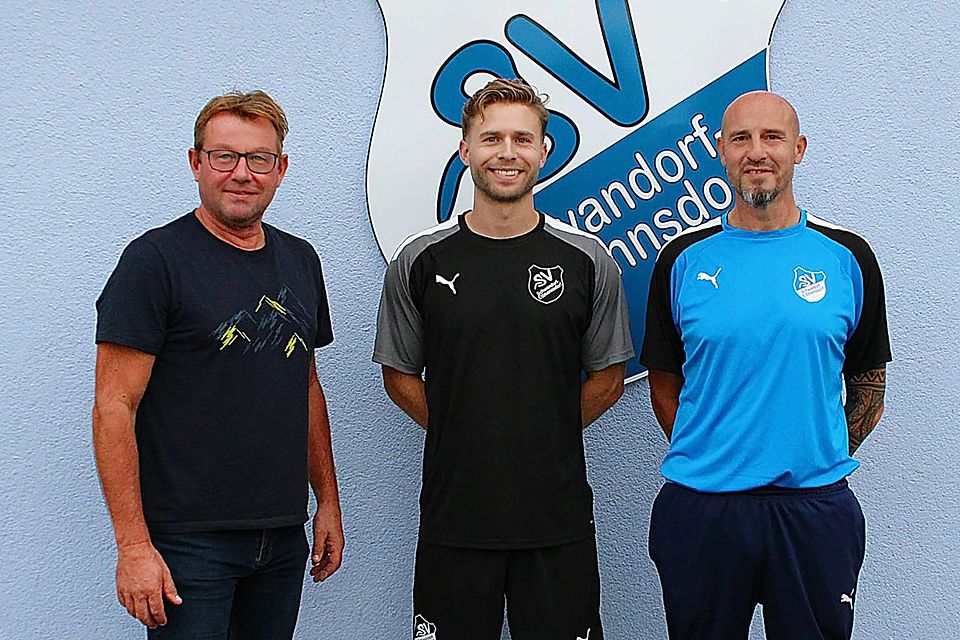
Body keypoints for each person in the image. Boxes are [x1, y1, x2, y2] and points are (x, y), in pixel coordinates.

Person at [374, 78, 633, 640]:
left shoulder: (588, 261)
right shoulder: (419, 260)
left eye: (522, 138)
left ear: (545, 150)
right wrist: (463, 429)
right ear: (465, 150)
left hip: (556, 520)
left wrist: (545, 430)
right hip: (455, 520)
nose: (507, 153)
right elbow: (399, 376)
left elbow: (609, 378)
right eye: (491, 139)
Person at [640, 90, 891, 640]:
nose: (757, 151)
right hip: (703, 510)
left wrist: (814, 454)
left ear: (798, 149)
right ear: (721, 153)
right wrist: (717, 453)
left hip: (814, 513)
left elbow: (869, 381)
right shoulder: (682, 259)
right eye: (741, 139)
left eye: (772, 137)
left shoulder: (848, 256)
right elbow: (665, 382)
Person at [92, 90, 343, 639]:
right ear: (196, 163)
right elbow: (114, 406)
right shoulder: (154, 262)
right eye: (224, 156)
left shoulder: (300, 259)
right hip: (188, 542)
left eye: (258, 158)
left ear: (280, 169)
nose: (241, 173)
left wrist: (327, 501)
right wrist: (134, 546)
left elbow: (305, 385)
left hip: (280, 535)